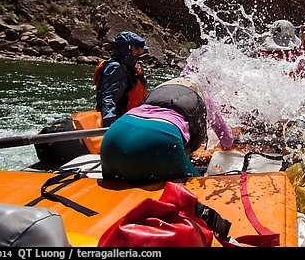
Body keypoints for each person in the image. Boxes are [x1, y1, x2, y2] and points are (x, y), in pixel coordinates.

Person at [100, 73, 234, 184]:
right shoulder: (204, 97)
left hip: (112, 137)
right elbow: (227, 140)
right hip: (161, 141)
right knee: (199, 188)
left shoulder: (158, 91)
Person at [93, 31, 149, 127]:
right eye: (136, 49)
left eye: (140, 50)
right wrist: (110, 127)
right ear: (126, 49)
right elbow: (108, 98)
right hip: (122, 122)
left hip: (131, 119)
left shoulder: (128, 68)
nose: (139, 53)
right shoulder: (116, 68)